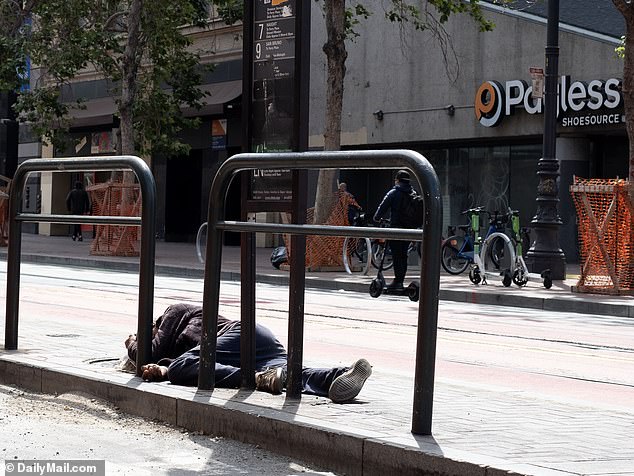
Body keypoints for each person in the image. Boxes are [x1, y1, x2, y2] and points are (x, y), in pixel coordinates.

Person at [130, 303, 372, 404]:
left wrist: (132, 343)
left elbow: (151, 352)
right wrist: (163, 369)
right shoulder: (182, 349)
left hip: (238, 334)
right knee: (288, 375)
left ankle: (257, 378)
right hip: (255, 339)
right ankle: (338, 376)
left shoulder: (173, 312)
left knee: (180, 367)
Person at [373, 170, 415, 290]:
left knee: (397, 255)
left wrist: (376, 217)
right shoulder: (413, 192)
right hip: (409, 229)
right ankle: (400, 280)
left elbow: (382, 207)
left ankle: (398, 282)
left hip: (396, 228)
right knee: (403, 255)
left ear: (397, 180)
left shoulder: (394, 192)